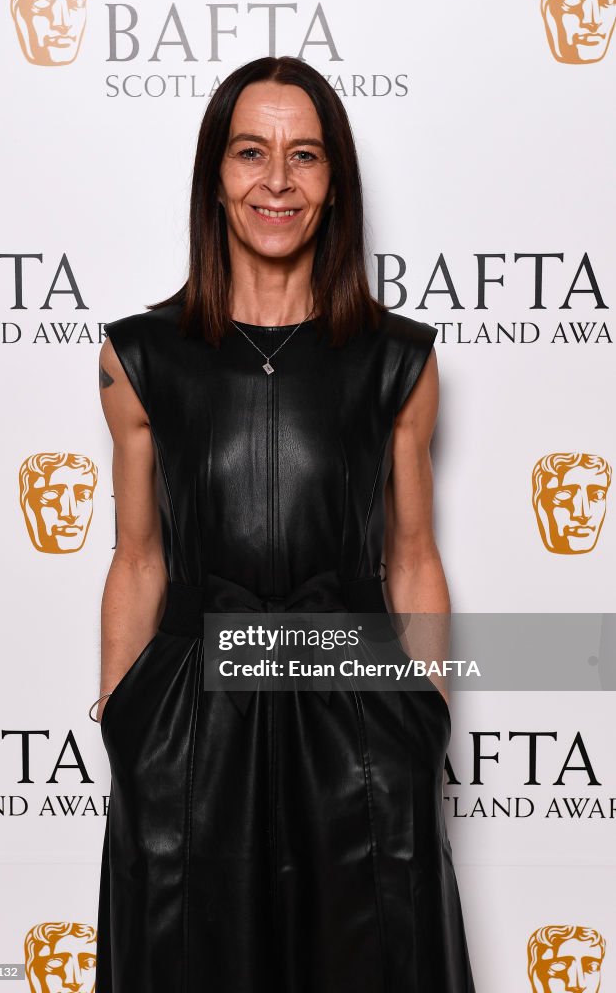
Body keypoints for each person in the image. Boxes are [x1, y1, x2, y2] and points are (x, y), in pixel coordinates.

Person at [92, 55, 477, 991]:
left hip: (352, 701)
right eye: (249, 153)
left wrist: (420, 714)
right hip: (191, 715)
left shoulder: (397, 359)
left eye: (303, 156)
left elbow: (412, 554)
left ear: (333, 182)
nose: (276, 181)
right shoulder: (139, 356)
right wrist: (123, 717)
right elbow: (139, 556)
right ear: (214, 177)